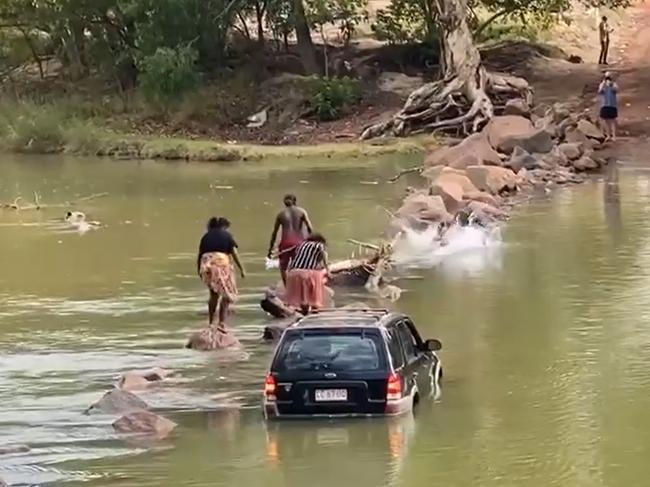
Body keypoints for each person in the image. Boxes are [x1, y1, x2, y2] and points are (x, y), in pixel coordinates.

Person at [197, 217, 245, 331]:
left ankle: (211, 322)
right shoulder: (227, 235)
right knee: (227, 294)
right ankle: (222, 323)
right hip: (220, 263)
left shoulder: (205, 236)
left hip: (206, 265)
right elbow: (234, 253)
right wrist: (242, 269)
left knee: (214, 294)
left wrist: (198, 269)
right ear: (224, 227)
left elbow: (200, 255)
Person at [267, 194, 313, 284]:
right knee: (301, 266)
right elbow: (310, 228)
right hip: (300, 243)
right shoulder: (302, 211)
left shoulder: (281, 214)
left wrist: (270, 249)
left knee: (283, 268)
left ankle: (287, 287)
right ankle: (301, 285)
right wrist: (311, 243)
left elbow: (274, 233)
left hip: (285, 243)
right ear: (295, 201)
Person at [285, 233, 329, 315]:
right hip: (307, 274)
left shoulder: (302, 244)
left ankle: (301, 308)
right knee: (318, 278)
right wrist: (328, 270)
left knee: (298, 297)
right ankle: (313, 306)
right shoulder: (320, 245)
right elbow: (323, 258)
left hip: (292, 273)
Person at [598, 71, 619, 141]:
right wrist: (604, 85)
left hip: (612, 104)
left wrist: (611, 85)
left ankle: (614, 136)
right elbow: (599, 91)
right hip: (604, 104)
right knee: (605, 121)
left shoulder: (614, 84)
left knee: (612, 120)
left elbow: (616, 90)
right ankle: (608, 135)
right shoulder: (602, 84)